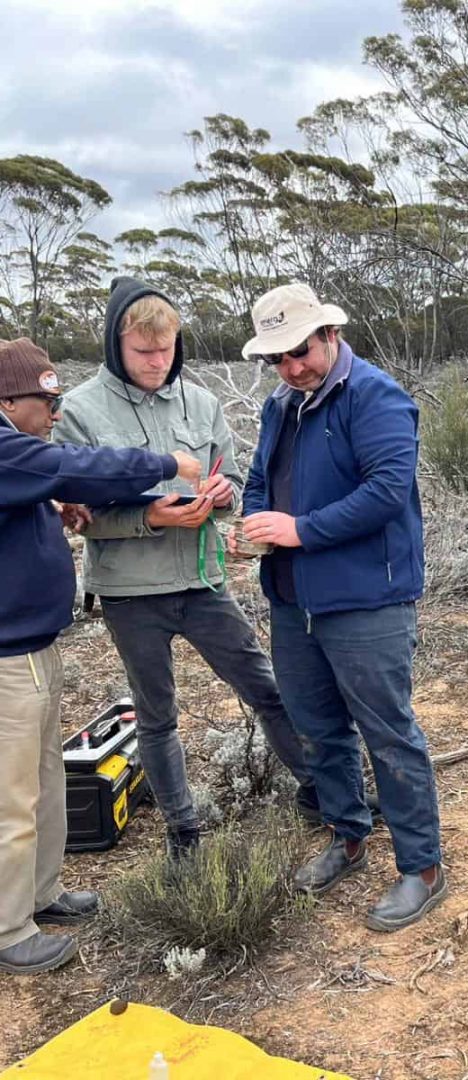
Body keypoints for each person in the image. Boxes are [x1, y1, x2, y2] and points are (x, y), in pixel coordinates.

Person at [53, 279, 317, 859]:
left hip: (203, 581)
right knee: (157, 714)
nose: (156, 361)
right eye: (143, 350)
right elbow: (83, 518)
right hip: (129, 592)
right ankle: (184, 832)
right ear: (114, 344)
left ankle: (318, 790)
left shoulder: (202, 403)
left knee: (265, 689)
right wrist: (149, 517)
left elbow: (230, 485)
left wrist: (220, 497)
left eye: (166, 348)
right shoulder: (79, 411)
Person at [238, 283, 445, 931]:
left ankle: (422, 866)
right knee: (317, 727)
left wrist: (298, 531)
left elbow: (387, 490)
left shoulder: (376, 396)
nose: (291, 367)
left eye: (299, 351)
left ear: (329, 335)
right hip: (294, 598)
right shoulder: (282, 404)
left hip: (366, 598)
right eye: (277, 358)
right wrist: (253, 521)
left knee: (387, 730)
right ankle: (346, 835)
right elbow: (257, 480)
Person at [0, 337, 202, 974]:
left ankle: (41, 894)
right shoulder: (6, 449)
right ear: (8, 400)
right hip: (7, 658)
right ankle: (8, 929)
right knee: (12, 798)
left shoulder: (15, 460)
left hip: (35, 643)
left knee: (47, 781)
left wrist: (50, 505)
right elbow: (76, 467)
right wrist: (163, 461)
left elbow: (49, 483)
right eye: (46, 400)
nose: (55, 411)